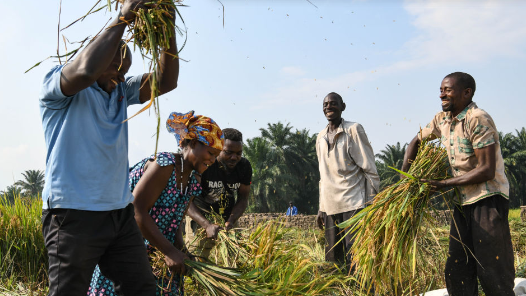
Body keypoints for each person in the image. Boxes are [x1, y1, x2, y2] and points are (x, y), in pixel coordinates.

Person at [38, 1, 179, 295]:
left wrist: (167, 27)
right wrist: (125, 15)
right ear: (93, 54)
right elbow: (87, 69)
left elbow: (166, 80)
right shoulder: (59, 85)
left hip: (119, 212)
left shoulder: (119, 92)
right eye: (114, 68)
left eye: (123, 71)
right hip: (73, 213)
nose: (119, 76)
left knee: (140, 288)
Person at [401, 72, 514, 296]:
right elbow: (416, 140)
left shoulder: (477, 118)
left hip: (487, 200)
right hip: (462, 203)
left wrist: (443, 184)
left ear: (466, 93)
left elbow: (486, 169)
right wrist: (404, 179)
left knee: (493, 270)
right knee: (457, 270)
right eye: (441, 90)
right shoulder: (442, 119)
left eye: (448, 90)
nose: (442, 94)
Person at [88, 111, 224, 296]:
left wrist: (181, 251)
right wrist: (169, 251)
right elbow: (136, 210)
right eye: (210, 153)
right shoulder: (165, 165)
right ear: (193, 143)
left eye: (216, 156)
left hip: (156, 251)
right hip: (128, 247)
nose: (212, 160)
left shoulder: (192, 181)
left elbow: (174, 222)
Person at [315, 92, 380, 269]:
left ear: (343, 107)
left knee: (356, 257)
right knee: (333, 260)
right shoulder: (320, 137)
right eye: (326, 104)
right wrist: (321, 208)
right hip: (330, 207)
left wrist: (373, 204)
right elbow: (323, 176)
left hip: (354, 204)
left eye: (333, 103)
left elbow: (370, 169)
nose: (329, 106)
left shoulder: (353, 130)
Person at [185, 128, 252, 258]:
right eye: (228, 152)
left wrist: (231, 220)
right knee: (198, 262)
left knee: (235, 259)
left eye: (239, 153)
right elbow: (187, 200)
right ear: (219, 147)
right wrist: (207, 224)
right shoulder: (206, 164)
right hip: (201, 217)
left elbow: (243, 198)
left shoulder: (244, 166)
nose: (234, 157)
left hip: (228, 217)